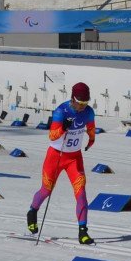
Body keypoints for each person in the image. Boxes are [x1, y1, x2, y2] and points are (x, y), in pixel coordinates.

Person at [27, 82, 97, 245]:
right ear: (73, 99)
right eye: (80, 103)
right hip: (56, 157)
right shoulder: (61, 111)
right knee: (46, 190)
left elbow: (91, 127)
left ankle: (83, 232)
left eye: (85, 103)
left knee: (81, 193)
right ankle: (32, 212)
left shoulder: (88, 112)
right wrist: (64, 127)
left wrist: (91, 139)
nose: (82, 107)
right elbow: (52, 136)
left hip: (74, 158)